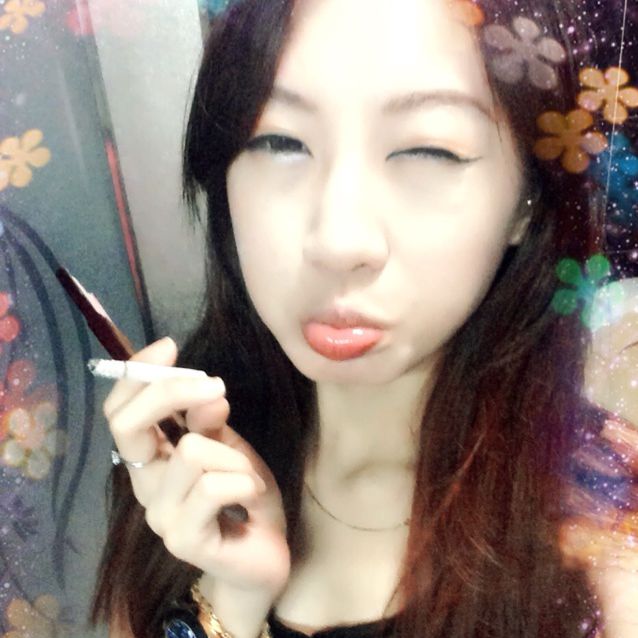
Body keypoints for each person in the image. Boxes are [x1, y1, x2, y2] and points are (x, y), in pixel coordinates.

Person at [91, 0, 638, 636]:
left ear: (527, 201)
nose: (338, 240)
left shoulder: (609, 549)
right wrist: (228, 602)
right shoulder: (179, 463)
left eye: (428, 150)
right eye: (278, 141)